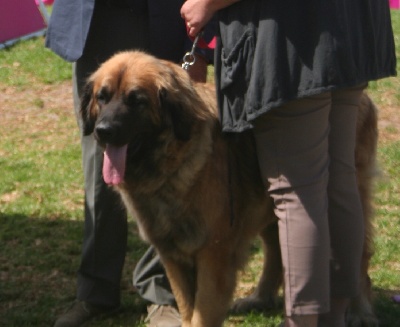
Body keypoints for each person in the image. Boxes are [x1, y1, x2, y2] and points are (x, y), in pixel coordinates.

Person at [181, 0, 396, 327]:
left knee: (299, 192)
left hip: (294, 36)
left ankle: (304, 320)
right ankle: (333, 317)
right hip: (349, 23)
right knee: (338, 180)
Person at [45, 1, 213, 326]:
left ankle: (162, 294)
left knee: (171, 162)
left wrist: (203, 41)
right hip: (96, 16)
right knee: (102, 163)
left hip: (166, 14)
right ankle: (95, 291)